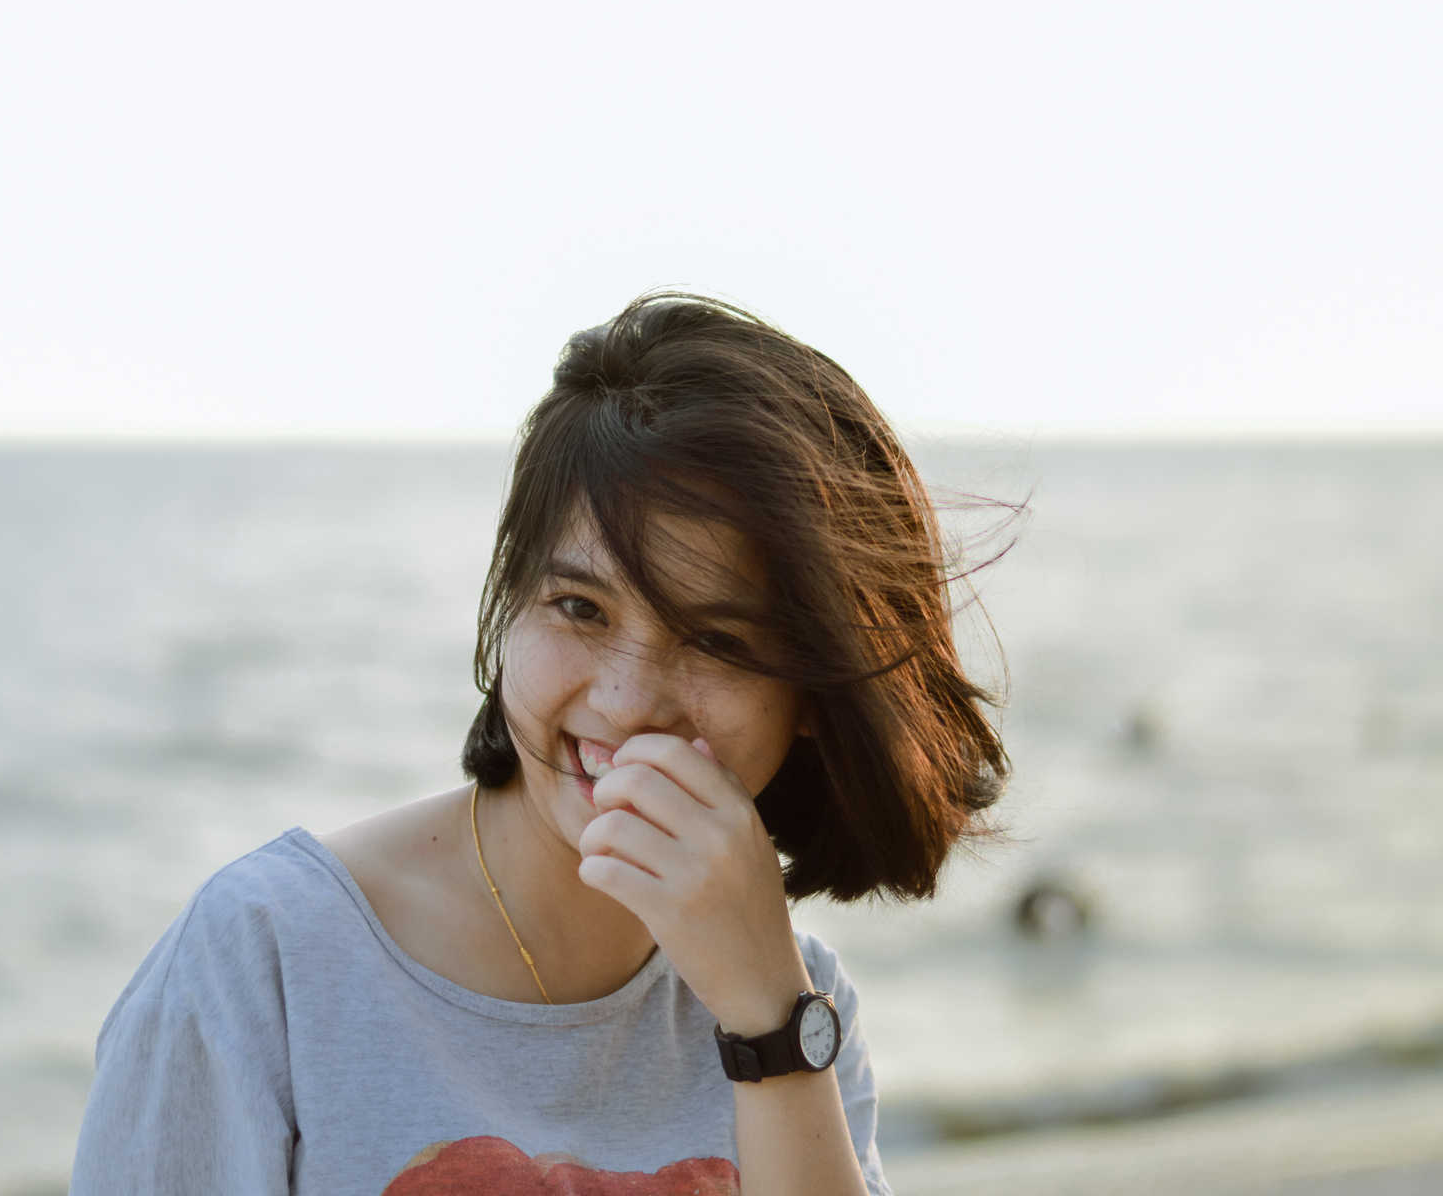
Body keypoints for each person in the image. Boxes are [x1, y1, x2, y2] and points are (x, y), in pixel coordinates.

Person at [69, 294, 1006, 1195]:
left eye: (719, 642)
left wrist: (770, 1025)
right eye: (579, 608)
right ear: (506, 607)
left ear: (811, 692)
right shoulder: (263, 960)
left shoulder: (798, 1001)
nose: (629, 700)